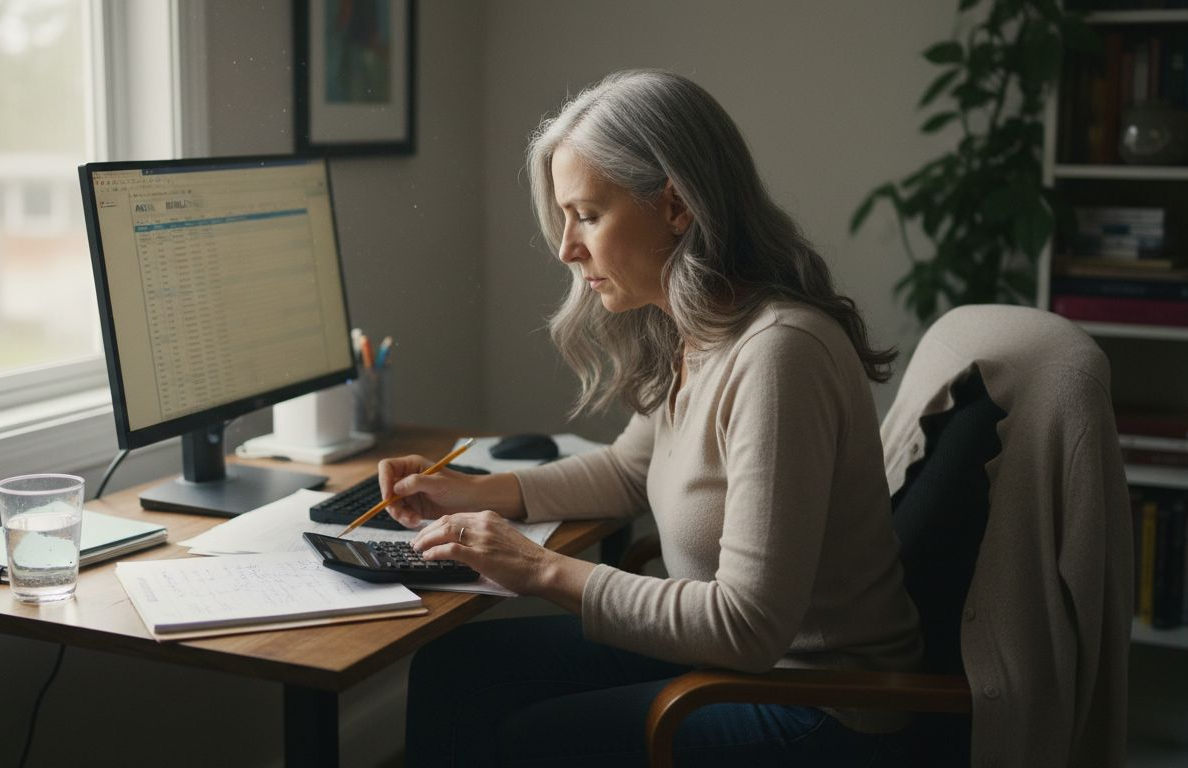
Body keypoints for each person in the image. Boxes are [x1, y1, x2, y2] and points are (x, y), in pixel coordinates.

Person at [380, 69, 922, 767]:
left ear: (675, 207)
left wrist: (538, 569)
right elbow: (632, 468)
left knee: (533, 741)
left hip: (819, 707)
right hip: (735, 670)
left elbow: (747, 626)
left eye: (587, 214)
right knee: (455, 669)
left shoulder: (780, 354)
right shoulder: (701, 325)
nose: (566, 249)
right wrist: (473, 492)